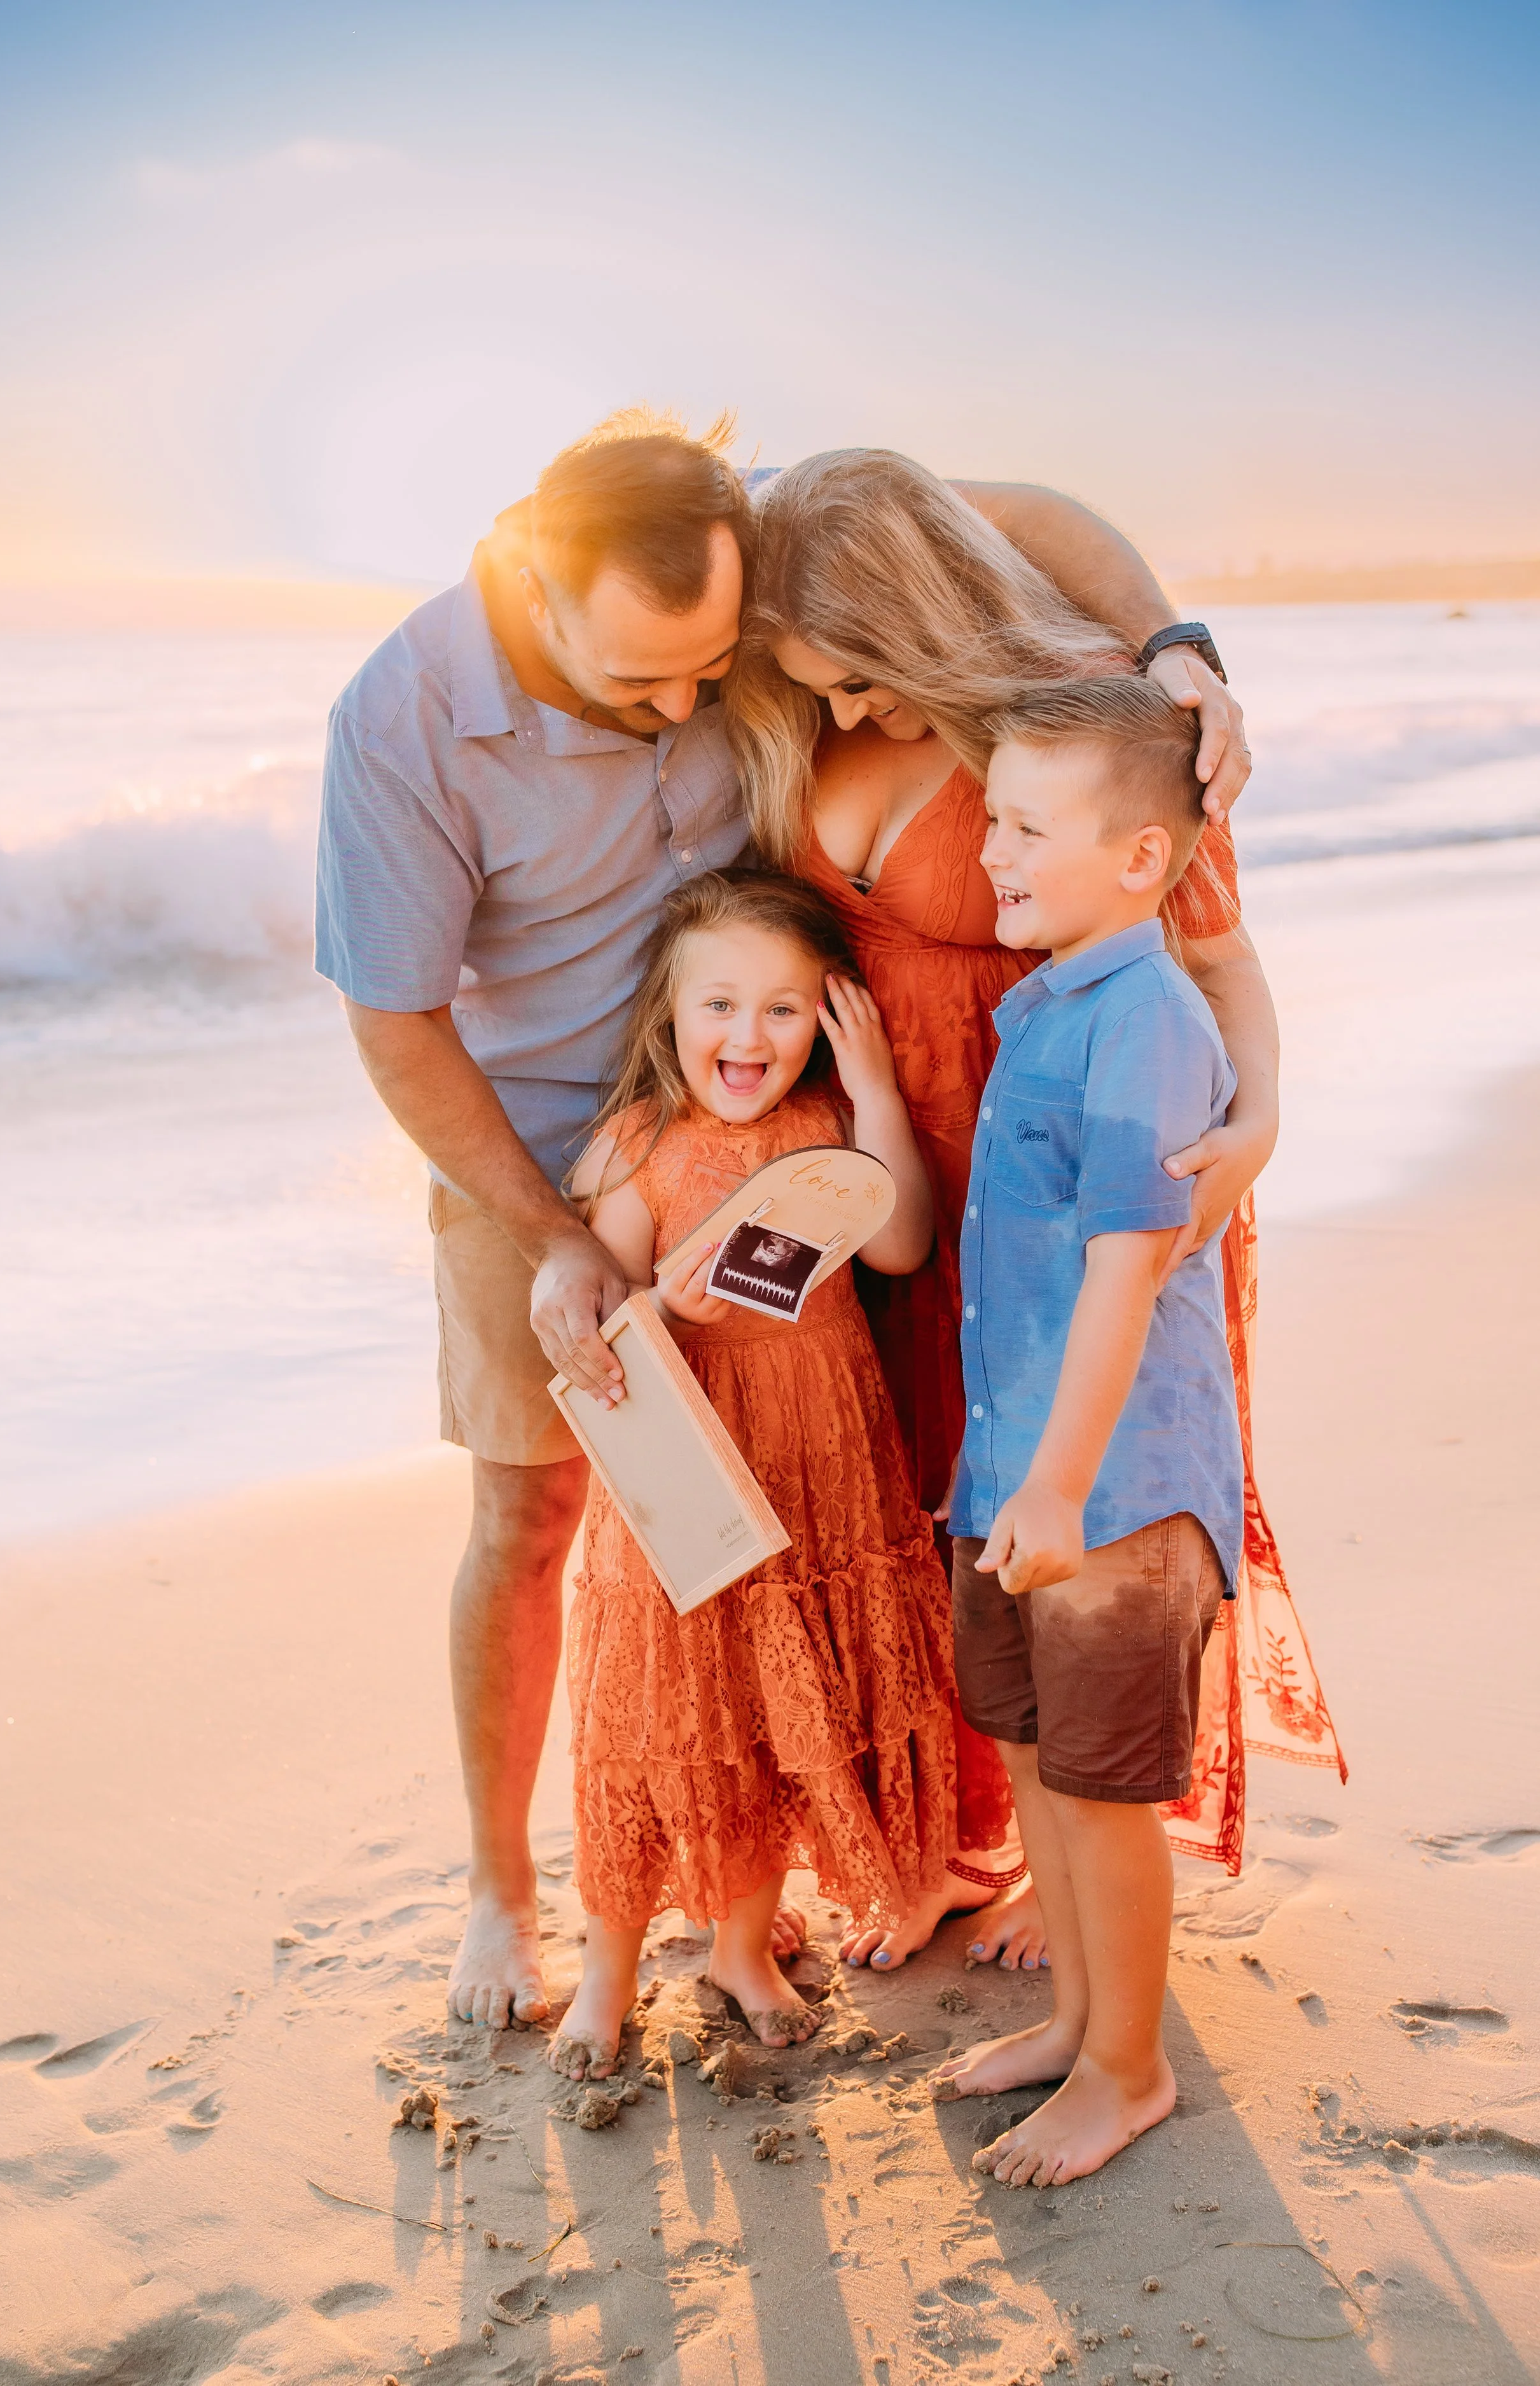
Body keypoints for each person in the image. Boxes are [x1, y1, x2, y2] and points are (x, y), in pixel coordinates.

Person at [314, 407, 1258, 2032]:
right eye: (647, 687)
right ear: (538, 581)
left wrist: (1174, 645)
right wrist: (552, 1229)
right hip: (542, 1150)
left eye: (709, 673)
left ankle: (903, 1844)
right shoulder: (402, 723)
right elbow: (398, 1025)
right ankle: (509, 1890)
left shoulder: (729, 546)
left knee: (888, 1492)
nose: (692, 707)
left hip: (848, 1135)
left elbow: (1013, 507)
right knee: (542, 1524)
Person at [725, 450, 1342, 1976]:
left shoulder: (1071, 723)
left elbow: (1215, 961)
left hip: (1071, 1189)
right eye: (813, 682)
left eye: (857, 675)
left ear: (910, 618)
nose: (844, 711)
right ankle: (962, 1836)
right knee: (934, 1510)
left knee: (1071, 1523)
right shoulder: (802, 706)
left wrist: (1255, 1117)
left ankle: (1071, 1867)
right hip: (902, 1199)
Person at [549, 870, 954, 2078]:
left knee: (784, 1716)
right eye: (720, 1004)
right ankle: (607, 1971)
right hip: (689, 1465)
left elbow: (902, 1241)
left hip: (818, 1458)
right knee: (658, 1719)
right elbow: (598, 1326)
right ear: (671, 1014)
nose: (749, 1035)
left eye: (785, 1010)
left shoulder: (830, 1129)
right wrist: (654, 1308)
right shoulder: (640, 1146)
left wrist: (875, 1084)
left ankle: (740, 1946)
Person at [930, 678, 1250, 2186]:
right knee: (1033, 1751)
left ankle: (1129, 2071)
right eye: (989, 812)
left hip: (1108, 1490)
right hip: (1018, 1469)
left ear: (1137, 858)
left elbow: (1131, 1264)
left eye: (1022, 824)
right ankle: (1073, 2019)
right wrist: (1010, 1476)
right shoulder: (1051, 1003)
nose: (987, 848)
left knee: (1105, 1782)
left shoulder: (1144, 1024)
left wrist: (1056, 1486)